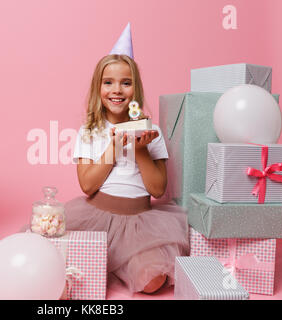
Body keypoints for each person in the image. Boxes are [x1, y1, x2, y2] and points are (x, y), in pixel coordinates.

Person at [65, 26, 189, 294]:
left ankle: (121, 264)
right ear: (98, 88)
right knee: (60, 255)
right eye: (108, 82)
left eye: (126, 82)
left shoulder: (150, 131)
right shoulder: (90, 131)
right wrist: (112, 147)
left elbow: (157, 189)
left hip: (139, 221)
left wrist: (139, 149)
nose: (116, 90)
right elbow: (87, 186)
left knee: (152, 282)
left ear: (136, 89)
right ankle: (108, 260)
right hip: (96, 217)